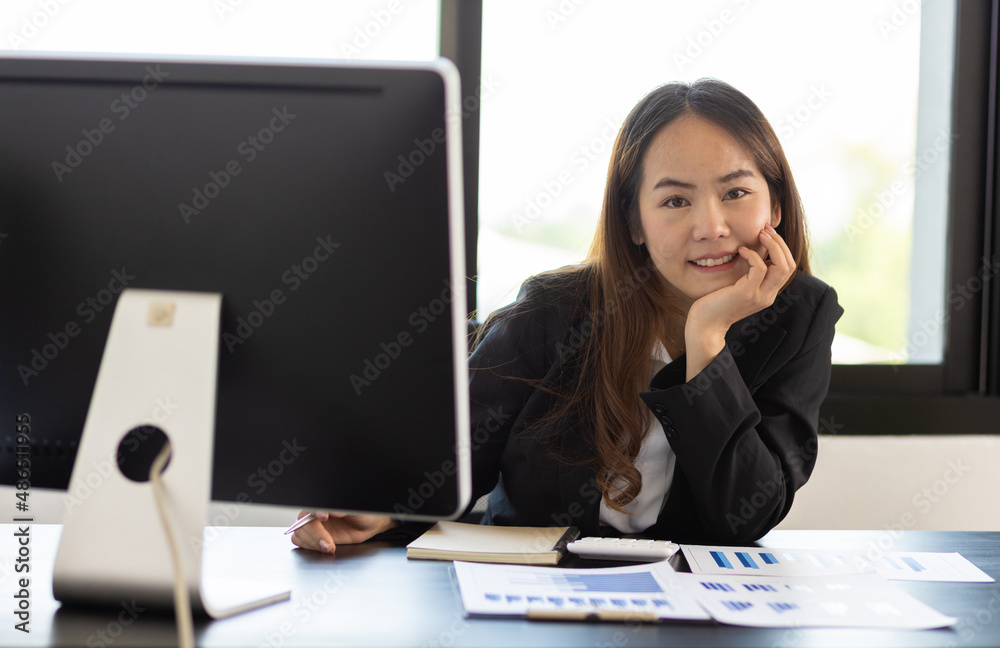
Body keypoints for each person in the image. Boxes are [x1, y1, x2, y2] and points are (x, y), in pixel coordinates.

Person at [292, 78, 843, 554]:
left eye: (736, 192)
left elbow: (747, 514)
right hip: (530, 600)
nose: (711, 225)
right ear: (633, 221)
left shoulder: (802, 317)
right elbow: (450, 466)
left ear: (774, 206)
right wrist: (378, 511)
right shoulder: (551, 314)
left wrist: (707, 338)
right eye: (675, 201)